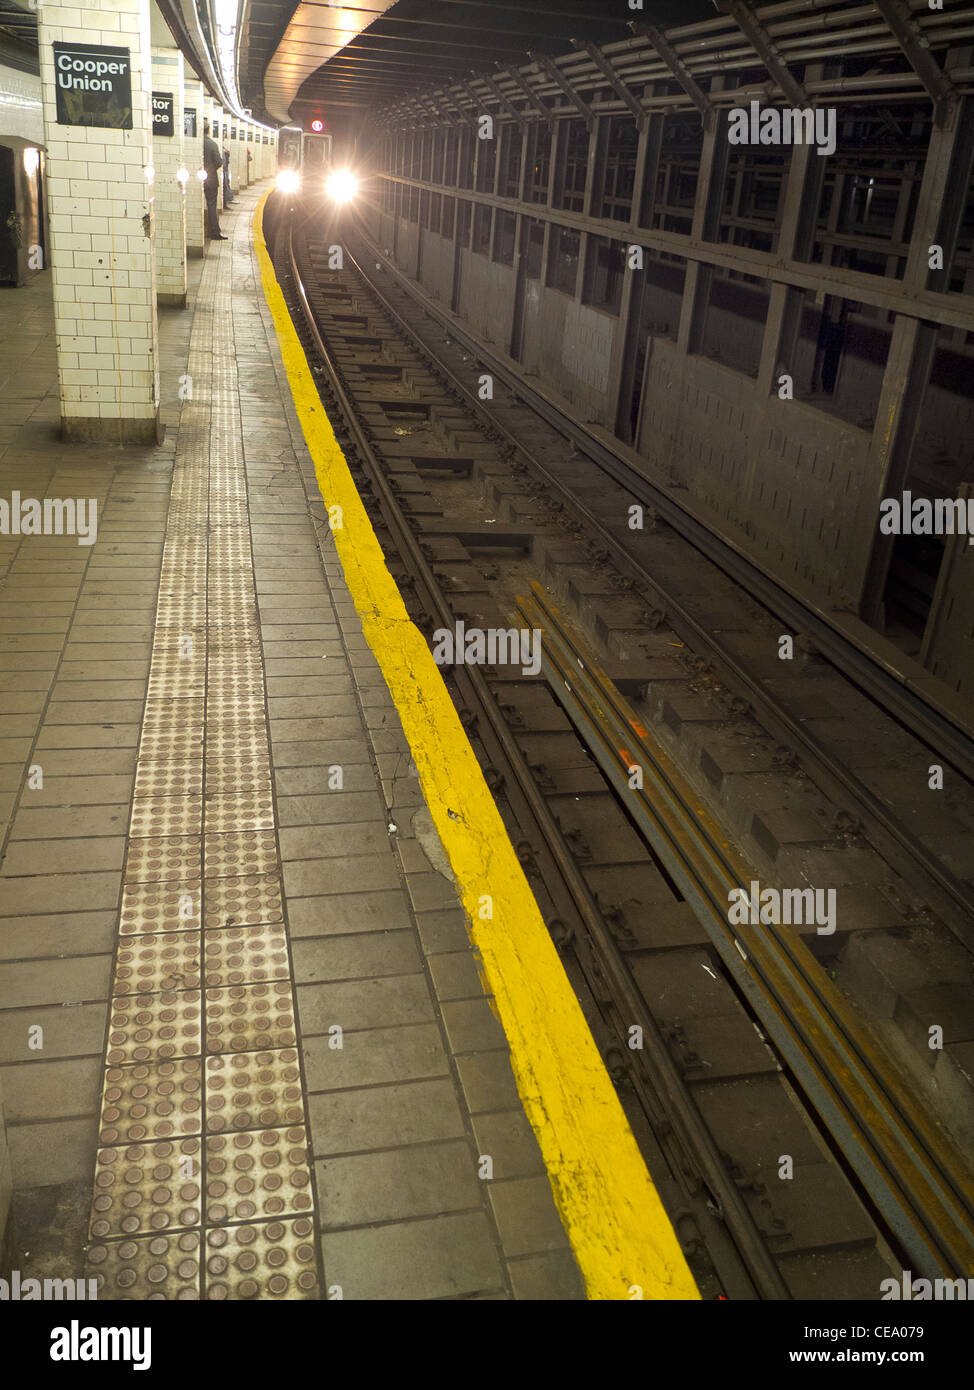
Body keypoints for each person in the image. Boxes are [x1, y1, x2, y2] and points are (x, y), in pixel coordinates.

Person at [202, 120, 226, 241]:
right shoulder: (212, 144)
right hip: (210, 180)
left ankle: (202, 231)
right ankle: (214, 232)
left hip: (195, 179)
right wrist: (210, 170)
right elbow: (218, 162)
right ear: (209, 130)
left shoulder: (195, 142)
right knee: (211, 205)